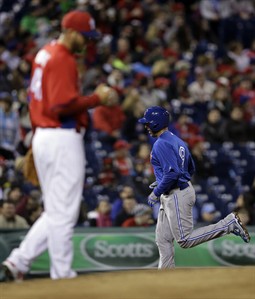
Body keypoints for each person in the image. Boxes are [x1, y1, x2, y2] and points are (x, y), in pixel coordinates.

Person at [1, 10, 117, 281]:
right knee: (65, 213)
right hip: (61, 136)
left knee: (56, 211)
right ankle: (62, 276)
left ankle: (18, 262)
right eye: (85, 37)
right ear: (72, 32)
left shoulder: (45, 53)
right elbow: (60, 105)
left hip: (44, 134)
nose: (87, 43)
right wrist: (96, 99)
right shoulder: (62, 58)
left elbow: (43, 103)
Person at [138, 106, 250, 269]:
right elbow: (189, 168)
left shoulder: (161, 144)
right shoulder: (177, 140)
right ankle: (166, 281)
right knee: (163, 239)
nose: (146, 126)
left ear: (156, 123)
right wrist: (162, 180)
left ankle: (228, 224)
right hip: (177, 189)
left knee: (184, 240)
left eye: (148, 123)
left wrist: (156, 192)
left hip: (176, 193)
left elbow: (173, 173)